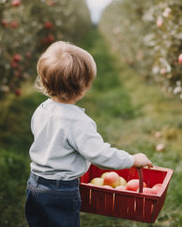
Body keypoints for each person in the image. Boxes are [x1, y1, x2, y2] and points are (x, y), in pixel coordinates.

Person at [25, 41, 153, 227]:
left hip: (35, 183)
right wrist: (132, 160)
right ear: (82, 87)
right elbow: (100, 155)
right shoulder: (77, 122)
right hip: (61, 190)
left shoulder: (42, 110)